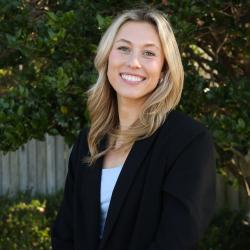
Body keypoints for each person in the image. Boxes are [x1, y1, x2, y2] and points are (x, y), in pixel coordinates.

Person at [52, 8, 216, 250]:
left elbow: (177, 239)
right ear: (107, 57)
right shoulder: (89, 140)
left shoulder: (188, 141)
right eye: (123, 48)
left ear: (163, 70)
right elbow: (65, 233)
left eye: (149, 53)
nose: (133, 63)